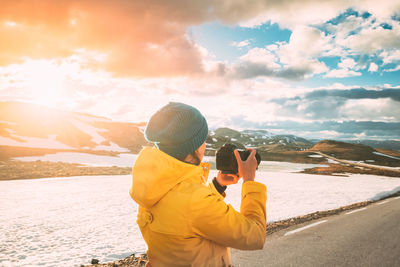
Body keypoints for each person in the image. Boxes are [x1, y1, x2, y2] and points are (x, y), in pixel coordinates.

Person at [129, 102, 267, 267]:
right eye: (202, 140)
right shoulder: (195, 201)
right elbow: (255, 236)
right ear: (192, 146)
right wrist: (249, 180)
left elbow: (184, 216)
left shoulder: (154, 183)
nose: (204, 145)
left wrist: (217, 185)